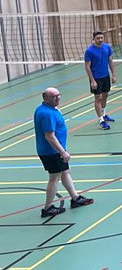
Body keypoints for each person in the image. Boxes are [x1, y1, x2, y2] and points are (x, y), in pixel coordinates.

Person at [34, 87, 94, 217]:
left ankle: (75, 198)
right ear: (46, 98)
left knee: (65, 172)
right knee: (54, 178)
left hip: (55, 150)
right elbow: (49, 136)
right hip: (52, 151)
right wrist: (62, 152)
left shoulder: (48, 109)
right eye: (54, 97)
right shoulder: (47, 113)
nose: (58, 98)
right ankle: (48, 207)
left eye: (58, 95)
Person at [84, 31, 116, 130]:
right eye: (98, 38)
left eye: (101, 37)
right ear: (94, 39)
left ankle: (104, 114)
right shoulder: (89, 51)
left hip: (105, 76)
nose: (100, 40)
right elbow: (87, 67)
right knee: (98, 98)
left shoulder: (107, 47)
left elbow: (110, 61)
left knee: (105, 95)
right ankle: (101, 120)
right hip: (96, 78)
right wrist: (92, 81)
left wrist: (113, 75)